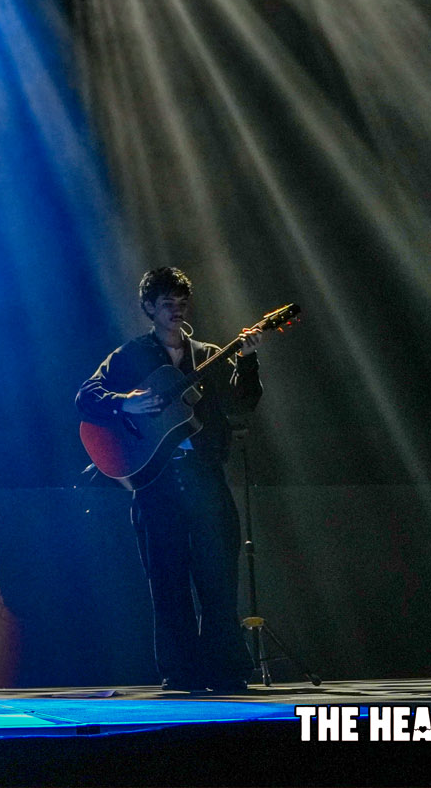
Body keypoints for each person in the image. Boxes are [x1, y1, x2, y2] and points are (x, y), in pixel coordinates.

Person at [76, 266, 263, 693]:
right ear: (149, 308)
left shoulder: (209, 355)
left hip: (205, 478)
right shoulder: (130, 356)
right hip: (155, 482)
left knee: (218, 576)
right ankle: (180, 673)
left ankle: (226, 670)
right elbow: (86, 397)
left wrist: (247, 360)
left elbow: (242, 404)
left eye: (181, 302)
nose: (176, 310)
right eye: (167, 304)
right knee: (167, 580)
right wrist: (124, 403)